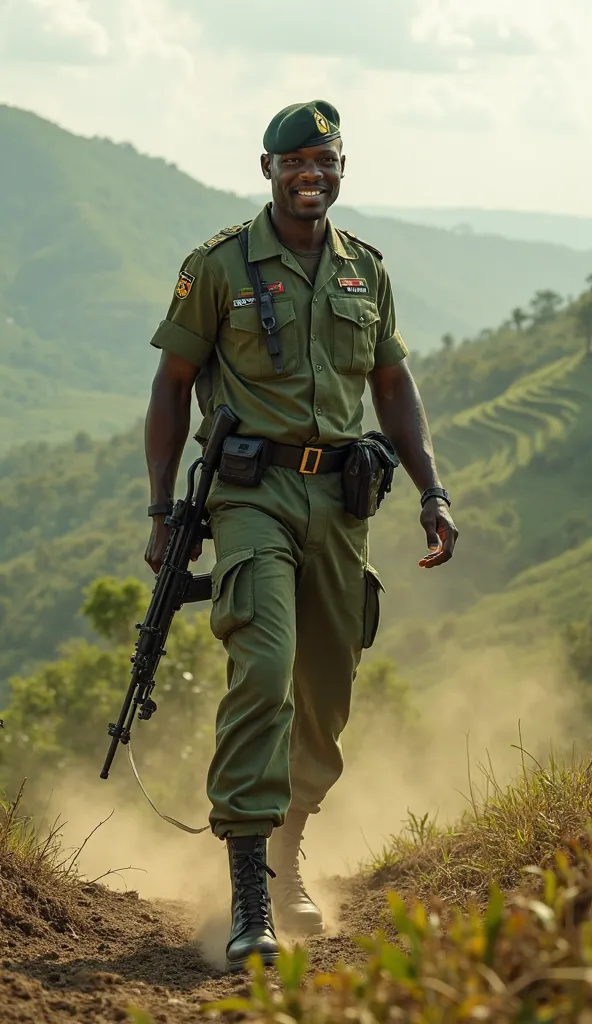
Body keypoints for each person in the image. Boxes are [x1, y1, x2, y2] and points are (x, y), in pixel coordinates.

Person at [144, 100, 458, 971]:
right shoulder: (218, 265)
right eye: (294, 163)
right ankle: (250, 888)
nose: (309, 175)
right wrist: (165, 512)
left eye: (324, 161)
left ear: (341, 169)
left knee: (326, 691)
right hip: (252, 497)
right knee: (267, 667)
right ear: (268, 170)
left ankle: (288, 856)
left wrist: (432, 492)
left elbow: (393, 388)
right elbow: (172, 387)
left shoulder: (366, 270)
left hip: (344, 504)